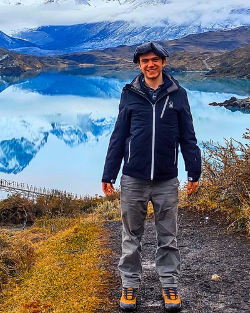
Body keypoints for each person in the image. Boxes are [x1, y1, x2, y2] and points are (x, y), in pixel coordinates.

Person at [102, 41, 201, 312]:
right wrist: (109, 173)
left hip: (167, 179)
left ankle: (169, 285)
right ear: (139, 65)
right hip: (133, 177)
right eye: (145, 60)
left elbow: (187, 136)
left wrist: (194, 169)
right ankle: (130, 285)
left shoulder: (177, 94)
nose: (150, 64)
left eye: (155, 59)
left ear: (164, 62)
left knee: (168, 236)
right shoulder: (130, 94)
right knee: (131, 235)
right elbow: (119, 136)